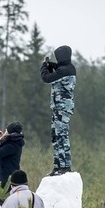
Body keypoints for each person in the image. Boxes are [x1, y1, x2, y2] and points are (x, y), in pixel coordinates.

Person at [40, 45, 76, 176]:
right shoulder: (67, 69)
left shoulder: (65, 71)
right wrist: (51, 65)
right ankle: (58, 166)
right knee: (56, 136)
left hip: (62, 109)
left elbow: (46, 78)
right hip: (59, 109)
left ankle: (65, 166)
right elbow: (58, 69)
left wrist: (44, 67)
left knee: (61, 137)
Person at [0, 121, 25, 189]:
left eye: (6, 130)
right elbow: (4, 152)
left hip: (6, 180)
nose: (5, 132)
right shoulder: (15, 142)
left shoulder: (12, 145)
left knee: (3, 199)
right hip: (7, 177)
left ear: (10, 132)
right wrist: (1, 139)